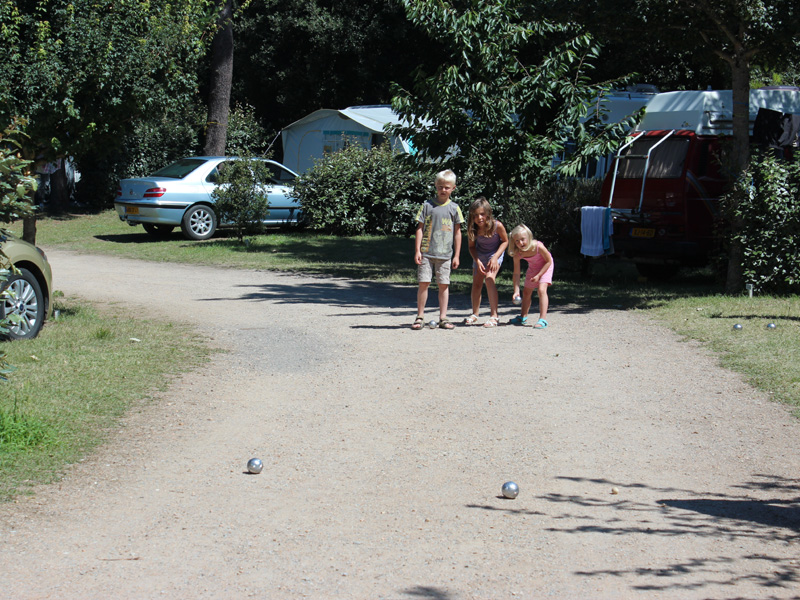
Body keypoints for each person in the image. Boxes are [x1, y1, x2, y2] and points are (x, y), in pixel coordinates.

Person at [411, 169, 464, 330]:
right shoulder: (427, 206)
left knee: (443, 285)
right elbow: (419, 229)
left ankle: (443, 317)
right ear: (435, 186)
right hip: (427, 253)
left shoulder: (454, 208)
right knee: (424, 283)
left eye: (447, 187)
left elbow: (458, 233)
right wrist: (418, 250)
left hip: (445, 255)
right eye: (440, 187)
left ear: (453, 188)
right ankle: (420, 316)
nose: (443, 190)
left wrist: (457, 255)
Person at [463, 197, 508, 328]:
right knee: (477, 283)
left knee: (489, 279)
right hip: (480, 254)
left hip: (495, 253)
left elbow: (505, 241)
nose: (479, 218)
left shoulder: (497, 225)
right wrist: (477, 260)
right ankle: (475, 313)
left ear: (488, 213)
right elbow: (471, 247)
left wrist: (495, 258)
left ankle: (494, 316)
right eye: (475, 215)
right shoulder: (473, 228)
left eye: (482, 214)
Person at [507, 224, 554, 328]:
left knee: (541, 290)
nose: (520, 243)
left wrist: (539, 275)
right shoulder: (517, 253)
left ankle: (542, 319)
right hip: (533, 268)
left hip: (546, 266)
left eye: (523, 239)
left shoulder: (538, 246)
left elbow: (548, 261)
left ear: (529, 237)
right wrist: (516, 291)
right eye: (517, 241)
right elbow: (516, 273)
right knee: (526, 292)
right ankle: (523, 317)